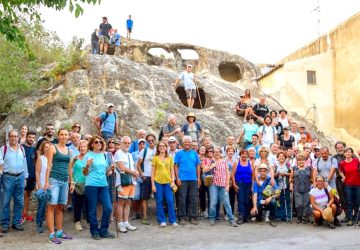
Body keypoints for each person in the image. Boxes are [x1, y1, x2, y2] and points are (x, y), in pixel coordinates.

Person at [82, 136, 114, 240]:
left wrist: (110, 168)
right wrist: (87, 165)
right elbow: (84, 173)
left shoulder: (104, 155)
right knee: (92, 209)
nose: (99, 143)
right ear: (92, 144)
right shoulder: (88, 156)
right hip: (91, 185)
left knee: (108, 208)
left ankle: (103, 230)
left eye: (100, 142)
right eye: (96, 142)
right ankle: (94, 231)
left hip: (103, 184)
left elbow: (105, 172)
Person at [44, 128, 72, 244]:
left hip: (65, 181)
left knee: (61, 207)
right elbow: (48, 165)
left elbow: (70, 168)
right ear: (58, 136)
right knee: (51, 206)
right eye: (62, 134)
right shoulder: (52, 147)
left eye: (66, 135)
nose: (64, 136)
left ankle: (60, 232)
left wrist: (72, 182)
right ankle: (51, 234)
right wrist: (46, 182)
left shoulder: (69, 151)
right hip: (54, 180)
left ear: (68, 137)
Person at [0, 130, 28, 233]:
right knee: (5, 201)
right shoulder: (4, 149)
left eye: (16, 136)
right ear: (9, 137)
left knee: (19, 201)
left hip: (20, 177)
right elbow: (0, 163)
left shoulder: (22, 149)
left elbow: (24, 164)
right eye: (12, 136)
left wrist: (25, 177)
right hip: (8, 177)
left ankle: (16, 222)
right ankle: (5, 223)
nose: (14, 138)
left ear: (18, 137)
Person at [203, 147, 237, 227]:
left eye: (218, 152)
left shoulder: (224, 162)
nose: (216, 153)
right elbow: (204, 170)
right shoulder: (211, 161)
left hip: (223, 185)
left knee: (226, 203)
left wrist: (227, 185)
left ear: (220, 153)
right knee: (213, 202)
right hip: (213, 184)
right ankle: (212, 218)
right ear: (213, 153)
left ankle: (231, 219)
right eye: (215, 152)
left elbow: (228, 173)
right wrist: (211, 166)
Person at [114, 136, 139, 233]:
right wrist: (133, 173)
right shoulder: (118, 153)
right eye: (125, 142)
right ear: (121, 143)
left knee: (128, 202)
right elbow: (121, 167)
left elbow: (132, 167)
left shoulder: (129, 154)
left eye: (129, 143)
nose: (127, 144)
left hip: (131, 181)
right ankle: (120, 224)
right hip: (122, 182)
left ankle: (126, 222)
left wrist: (135, 172)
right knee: (121, 203)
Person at [174, 136, 201, 225]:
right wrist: (177, 178)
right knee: (182, 199)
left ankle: (193, 217)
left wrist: (199, 178)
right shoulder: (178, 153)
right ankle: (182, 217)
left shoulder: (195, 153)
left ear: (191, 143)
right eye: (185, 142)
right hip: (182, 179)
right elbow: (175, 166)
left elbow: (197, 166)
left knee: (193, 199)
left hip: (193, 179)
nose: (187, 143)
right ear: (183, 143)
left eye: (188, 142)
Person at [151, 141, 177, 226]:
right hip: (158, 182)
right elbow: (152, 173)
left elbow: (172, 171)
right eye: (160, 146)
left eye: (163, 146)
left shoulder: (170, 158)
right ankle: (162, 220)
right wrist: (153, 185)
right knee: (159, 201)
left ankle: (172, 220)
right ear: (158, 148)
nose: (162, 147)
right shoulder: (155, 158)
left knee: (170, 201)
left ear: (166, 147)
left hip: (168, 182)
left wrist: (173, 181)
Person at [69, 140, 89, 231]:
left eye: (84, 146)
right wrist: (72, 182)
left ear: (87, 148)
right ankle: (77, 221)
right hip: (77, 184)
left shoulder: (90, 158)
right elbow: (70, 170)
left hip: (88, 183)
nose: (82, 148)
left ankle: (88, 221)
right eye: (81, 146)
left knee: (89, 204)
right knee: (78, 204)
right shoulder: (75, 158)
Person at [137, 134, 157, 225]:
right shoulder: (144, 151)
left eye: (152, 140)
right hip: (147, 176)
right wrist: (142, 175)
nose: (151, 142)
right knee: (145, 198)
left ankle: (159, 215)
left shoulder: (159, 150)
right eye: (149, 141)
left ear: (155, 140)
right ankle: (145, 216)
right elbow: (138, 164)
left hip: (157, 177)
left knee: (159, 197)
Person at [339, 147, 360, 226]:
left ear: (352, 153)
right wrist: (343, 177)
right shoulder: (342, 163)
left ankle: (356, 218)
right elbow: (340, 171)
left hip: (358, 184)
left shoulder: (356, 161)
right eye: (346, 152)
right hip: (348, 185)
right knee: (349, 202)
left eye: (349, 152)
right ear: (344, 154)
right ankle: (350, 219)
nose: (347, 153)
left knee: (357, 202)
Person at [34, 141, 51, 233]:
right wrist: (39, 184)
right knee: (42, 206)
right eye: (46, 147)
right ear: (43, 149)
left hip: (52, 185)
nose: (47, 149)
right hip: (43, 185)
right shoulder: (41, 158)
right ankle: (39, 223)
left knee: (52, 206)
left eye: (49, 147)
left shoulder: (53, 159)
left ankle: (50, 224)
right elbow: (37, 171)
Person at [232, 149, 253, 224]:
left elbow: (252, 175)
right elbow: (233, 174)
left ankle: (246, 216)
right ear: (240, 155)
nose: (244, 155)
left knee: (247, 200)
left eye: (246, 154)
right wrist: (234, 184)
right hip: (239, 183)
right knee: (240, 200)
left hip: (248, 184)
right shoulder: (236, 162)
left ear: (248, 155)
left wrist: (252, 185)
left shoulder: (250, 162)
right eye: (242, 154)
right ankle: (241, 216)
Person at [291, 154, 312, 224]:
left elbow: (311, 178)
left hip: (307, 188)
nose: (301, 161)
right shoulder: (294, 168)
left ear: (305, 161)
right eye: (299, 160)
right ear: (297, 161)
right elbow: (291, 179)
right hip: (297, 189)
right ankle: (299, 216)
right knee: (298, 204)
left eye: (302, 160)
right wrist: (291, 185)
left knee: (306, 204)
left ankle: (304, 217)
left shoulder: (309, 168)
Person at [21, 131, 37, 223]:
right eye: (30, 137)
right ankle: (18, 215)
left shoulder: (34, 149)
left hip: (31, 175)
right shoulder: (21, 147)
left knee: (28, 195)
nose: (31, 139)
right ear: (26, 137)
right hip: (21, 175)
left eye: (33, 138)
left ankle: (24, 214)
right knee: (19, 195)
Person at [130, 138, 146, 220]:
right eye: (140, 144)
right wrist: (133, 173)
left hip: (145, 176)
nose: (142, 145)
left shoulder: (147, 153)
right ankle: (134, 212)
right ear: (138, 145)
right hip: (136, 177)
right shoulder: (133, 154)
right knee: (135, 196)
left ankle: (140, 212)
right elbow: (131, 164)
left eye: (143, 144)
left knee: (142, 196)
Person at [333, 141, 348, 223]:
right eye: (338, 148)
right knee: (342, 198)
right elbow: (334, 168)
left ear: (344, 147)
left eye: (341, 147)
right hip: (339, 180)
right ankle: (347, 215)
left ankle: (355, 215)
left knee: (351, 197)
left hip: (350, 179)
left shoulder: (351, 154)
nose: (340, 149)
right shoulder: (334, 157)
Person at [274, 151, 291, 221]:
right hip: (278, 186)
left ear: (285, 158)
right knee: (278, 201)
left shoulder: (287, 165)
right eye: (280, 156)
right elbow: (273, 175)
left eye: (283, 156)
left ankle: (287, 216)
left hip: (285, 185)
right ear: (277, 158)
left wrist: (286, 174)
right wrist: (277, 173)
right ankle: (279, 216)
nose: (281, 157)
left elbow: (291, 174)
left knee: (286, 200)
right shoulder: (275, 166)